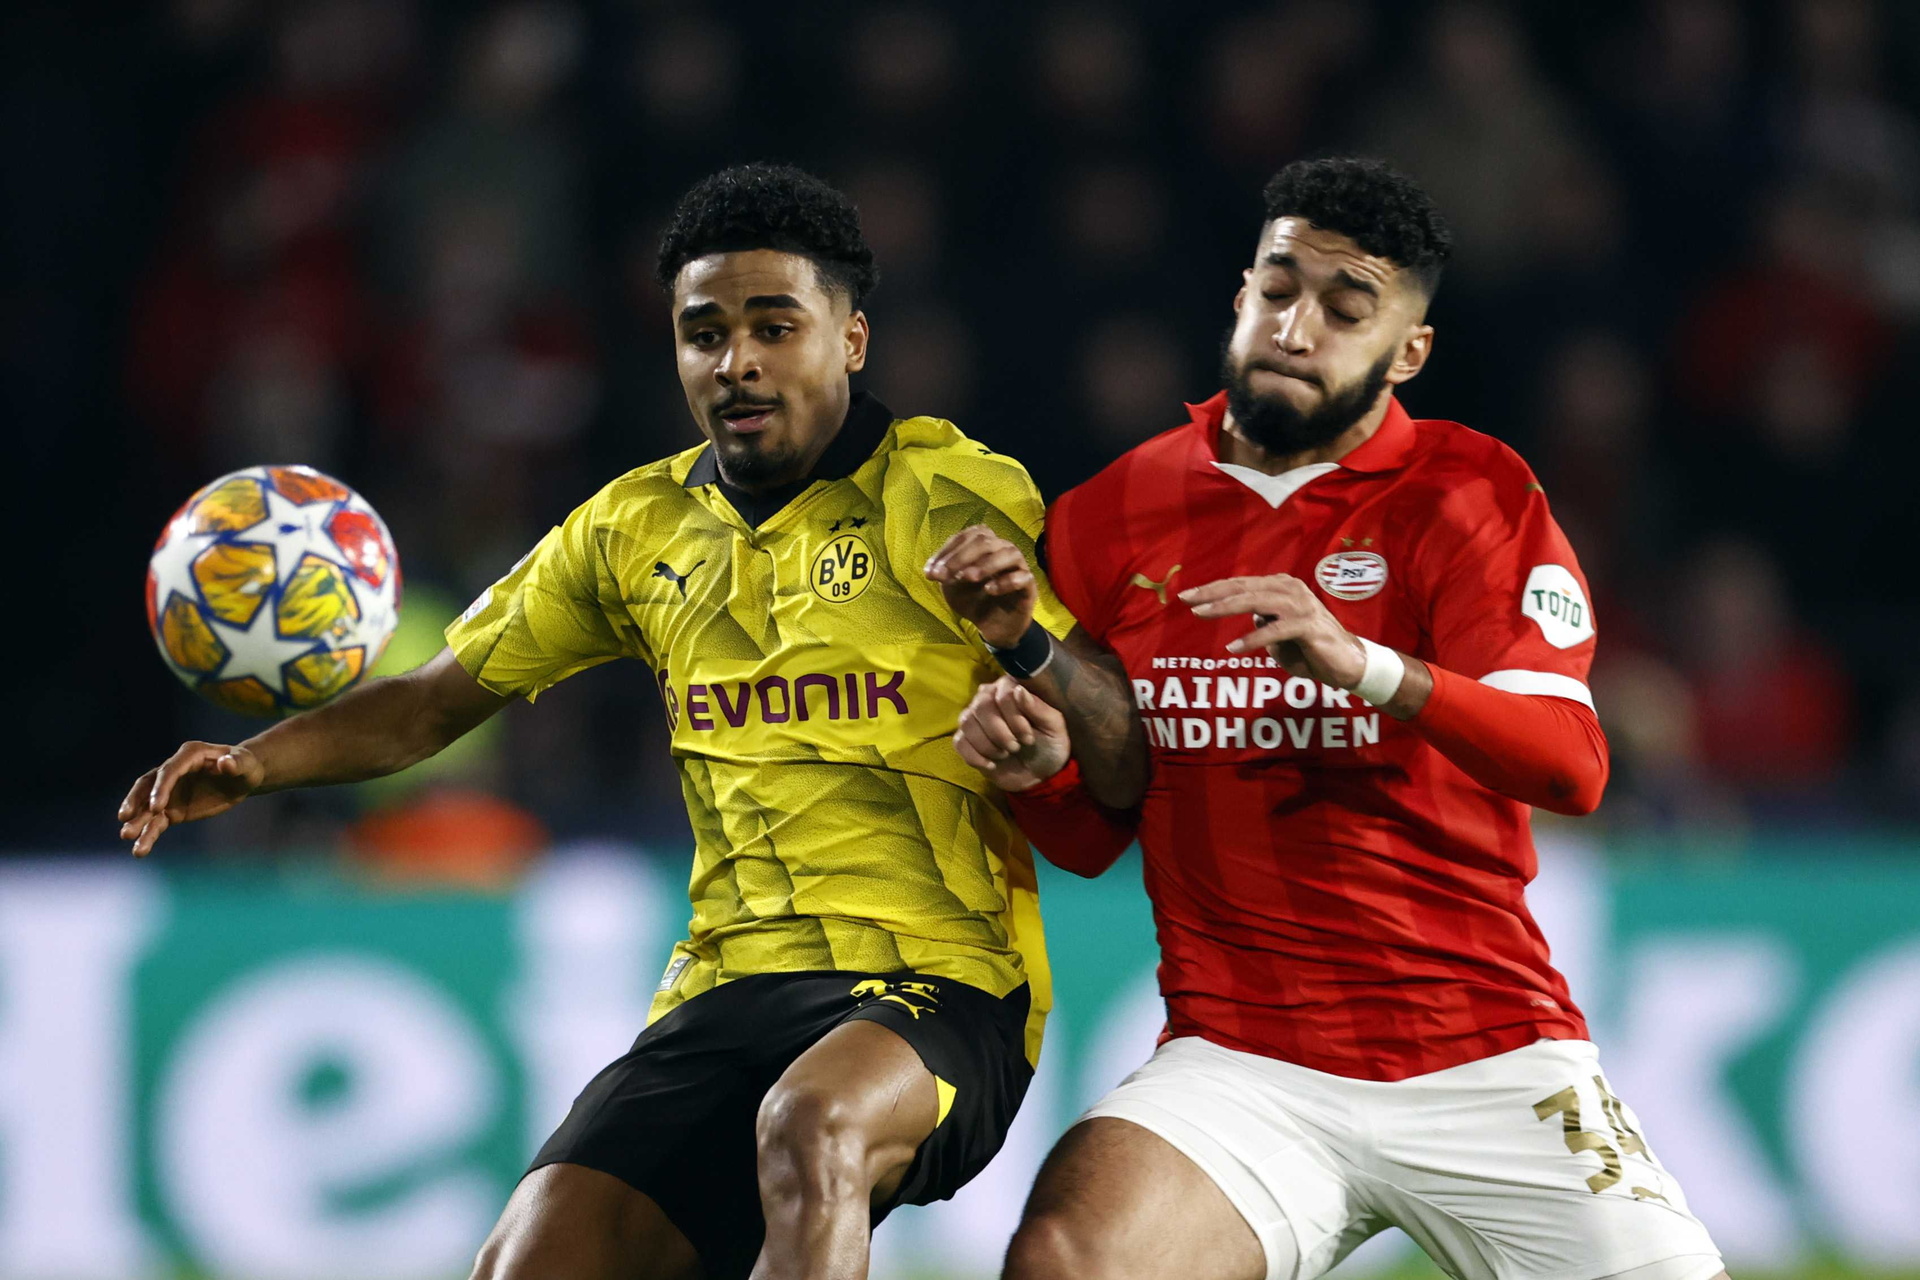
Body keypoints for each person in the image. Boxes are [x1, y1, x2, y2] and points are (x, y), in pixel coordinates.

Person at [116, 163, 1144, 1280]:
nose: (734, 360)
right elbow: (430, 702)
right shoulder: (632, 527)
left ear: (850, 339)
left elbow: (1119, 751)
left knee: (814, 1125)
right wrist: (252, 765)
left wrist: (1025, 644)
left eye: (773, 326)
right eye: (702, 331)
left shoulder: (948, 490)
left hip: (943, 986)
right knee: (528, 1260)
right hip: (727, 986)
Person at [952, 158, 1726, 1280]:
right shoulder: (1105, 515)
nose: (1297, 325)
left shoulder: (1471, 493)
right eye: (1278, 288)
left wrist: (1364, 663)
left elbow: (1571, 766)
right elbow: (1100, 829)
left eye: (1345, 307)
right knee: (1071, 1257)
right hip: (1241, 1059)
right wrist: (1039, 771)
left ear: (1406, 351)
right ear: (1241, 296)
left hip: (1486, 1052)